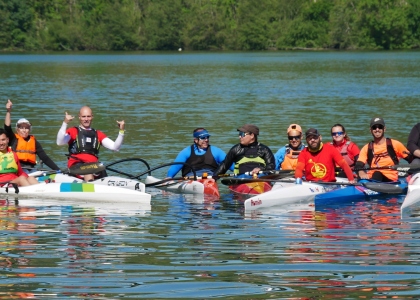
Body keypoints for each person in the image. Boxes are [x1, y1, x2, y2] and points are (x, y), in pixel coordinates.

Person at [56, 106, 125, 181]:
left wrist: (121, 131)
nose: (86, 119)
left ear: (92, 117)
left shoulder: (98, 134)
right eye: (83, 116)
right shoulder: (73, 131)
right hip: (76, 167)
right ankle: (91, 186)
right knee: (88, 171)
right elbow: (59, 142)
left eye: (88, 116)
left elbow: (115, 147)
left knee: (101, 170)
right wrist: (65, 123)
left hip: (94, 166)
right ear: (79, 117)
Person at [4, 100, 60, 184]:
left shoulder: (34, 141)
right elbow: (7, 127)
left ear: (29, 130)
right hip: (19, 170)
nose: (24, 130)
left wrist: (58, 170)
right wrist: (8, 111)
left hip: (32, 170)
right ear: (17, 129)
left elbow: (44, 158)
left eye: (26, 128)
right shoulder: (13, 139)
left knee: (49, 176)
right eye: (21, 127)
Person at [355, 117, 412, 182]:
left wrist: (411, 174)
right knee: (361, 177)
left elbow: (410, 158)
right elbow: (358, 164)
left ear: (384, 129)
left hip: (390, 179)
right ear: (370, 130)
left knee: (377, 174)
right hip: (371, 177)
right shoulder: (367, 148)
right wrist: (361, 172)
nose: (377, 129)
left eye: (380, 127)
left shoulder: (395, 144)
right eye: (374, 127)